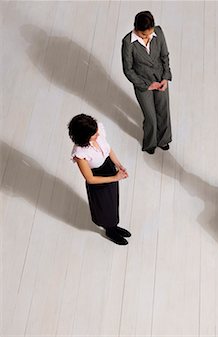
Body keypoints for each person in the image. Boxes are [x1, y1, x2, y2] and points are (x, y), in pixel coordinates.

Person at [68, 114, 131, 245]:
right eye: (94, 134)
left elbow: (108, 150)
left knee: (113, 201)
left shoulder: (98, 130)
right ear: (84, 136)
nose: (98, 135)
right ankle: (110, 230)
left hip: (109, 168)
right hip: (99, 179)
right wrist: (115, 177)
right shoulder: (80, 152)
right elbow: (90, 179)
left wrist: (119, 165)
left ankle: (114, 226)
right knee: (105, 206)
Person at [121, 10, 172, 155]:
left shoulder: (159, 32)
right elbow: (128, 70)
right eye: (144, 34)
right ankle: (150, 142)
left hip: (160, 79)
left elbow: (165, 56)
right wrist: (146, 85)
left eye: (150, 32)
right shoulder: (128, 43)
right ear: (136, 28)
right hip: (142, 84)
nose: (148, 36)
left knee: (163, 111)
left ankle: (164, 140)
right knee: (150, 116)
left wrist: (165, 78)